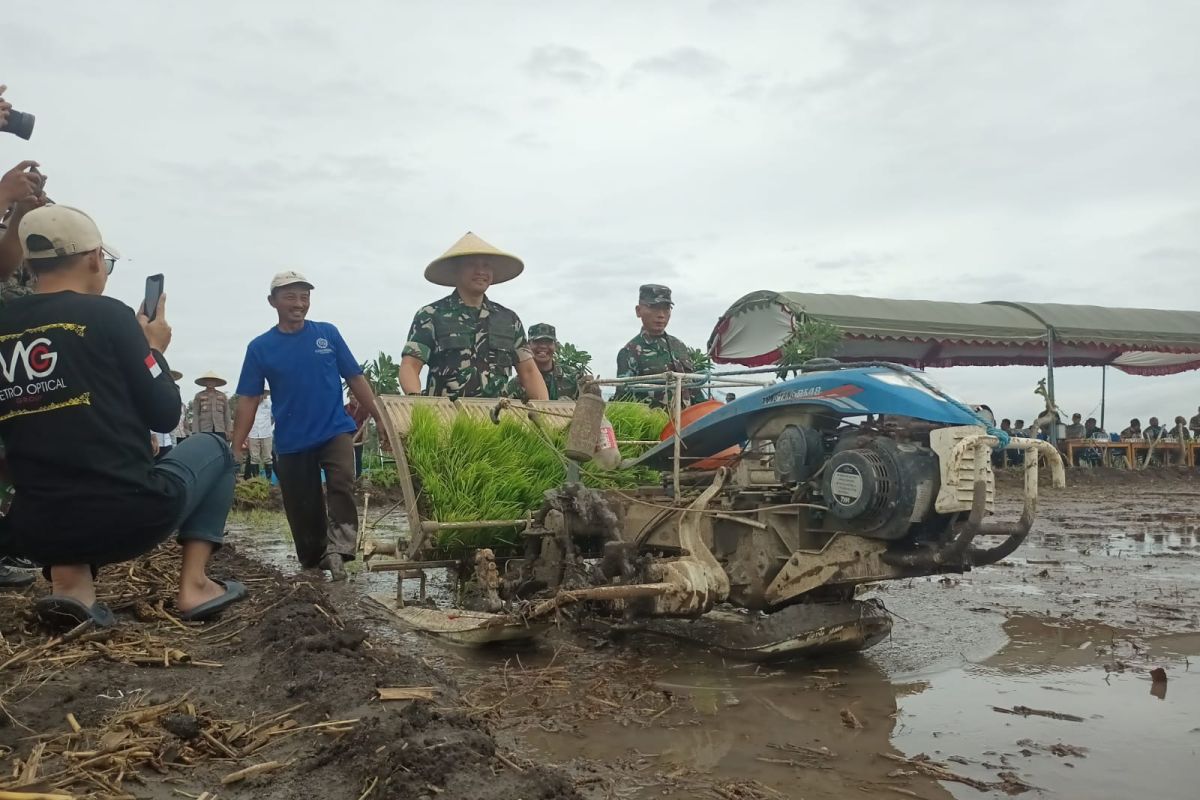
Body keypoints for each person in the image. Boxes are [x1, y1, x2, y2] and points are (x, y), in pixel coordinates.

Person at [0, 205, 245, 627]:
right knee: (217, 449)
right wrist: (153, 351)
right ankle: (196, 585)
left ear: (30, 262)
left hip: (34, 528)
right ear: (95, 259)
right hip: (128, 516)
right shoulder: (110, 316)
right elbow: (166, 414)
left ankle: (71, 587)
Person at [231, 271, 387, 581]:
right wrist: (237, 443)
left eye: (305, 297)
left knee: (342, 480)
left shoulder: (327, 334)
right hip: (292, 440)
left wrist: (380, 416)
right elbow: (248, 399)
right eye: (290, 297)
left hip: (334, 429)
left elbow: (355, 378)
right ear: (272, 301)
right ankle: (316, 562)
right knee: (303, 508)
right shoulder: (260, 348)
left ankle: (341, 547)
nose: (299, 304)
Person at [400, 232, 547, 401]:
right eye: (472, 264)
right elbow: (410, 366)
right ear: (456, 270)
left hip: (499, 419)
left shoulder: (509, 320)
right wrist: (416, 402)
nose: (481, 271)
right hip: (445, 419)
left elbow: (529, 373)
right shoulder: (431, 315)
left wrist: (546, 414)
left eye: (486, 265)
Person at [616, 284, 705, 407]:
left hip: (688, 422)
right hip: (654, 423)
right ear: (638, 311)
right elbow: (623, 400)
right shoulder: (629, 352)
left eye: (666, 308)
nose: (661, 315)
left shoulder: (679, 346)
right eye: (654, 308)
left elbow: (695, 389)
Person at [504, 323, 580, 401]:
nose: (543, 346)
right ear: (528, 346)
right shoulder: (516, 384)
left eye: (548, 342)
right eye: (537, 342)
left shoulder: (573, 377)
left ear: (555, 346)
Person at [243, 390, 274, 480]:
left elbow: (273, 417)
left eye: (262, 393)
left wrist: (268, 426)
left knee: (268, 457)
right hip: (253, 434)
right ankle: (257, 480)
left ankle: (268, 481)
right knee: (254, 458)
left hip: (266, 434)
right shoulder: (249, 405)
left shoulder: (269, 404)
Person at [191, 371, 231, 439]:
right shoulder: (199, 396)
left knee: (219, 448)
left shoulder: (222, 396)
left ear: (216, 383)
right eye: (208, 380)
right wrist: (195, 431)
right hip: (204, 429)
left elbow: (227, 413)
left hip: (220, 428)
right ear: (205, 382)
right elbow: (196, 414)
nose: (210, 382)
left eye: (213, 381)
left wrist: (228, 430)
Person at [346, 396, 370, 478]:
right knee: (348, 458)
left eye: (355, 398)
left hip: (358, 438)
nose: (354, 399)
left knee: (358, 458)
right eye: (351, 397)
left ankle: (358, 477)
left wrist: (365, 435)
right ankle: (349, 476)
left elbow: (367, 419)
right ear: (349, 398)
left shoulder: (362, 409)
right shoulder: (345, 408)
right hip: (347, 437)